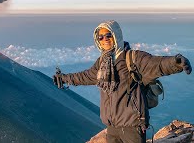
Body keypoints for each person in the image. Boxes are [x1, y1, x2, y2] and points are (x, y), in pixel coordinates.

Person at [53, 20, 192, 143]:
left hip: (132, 126)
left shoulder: (132, 58)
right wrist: (64, 78)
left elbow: (156, 64)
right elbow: (86, 76)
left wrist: (176, 62)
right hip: (112, 127)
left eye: (108, 35)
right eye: (100, 37)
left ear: (116, 35)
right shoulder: (102, 62)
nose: (105, 39)